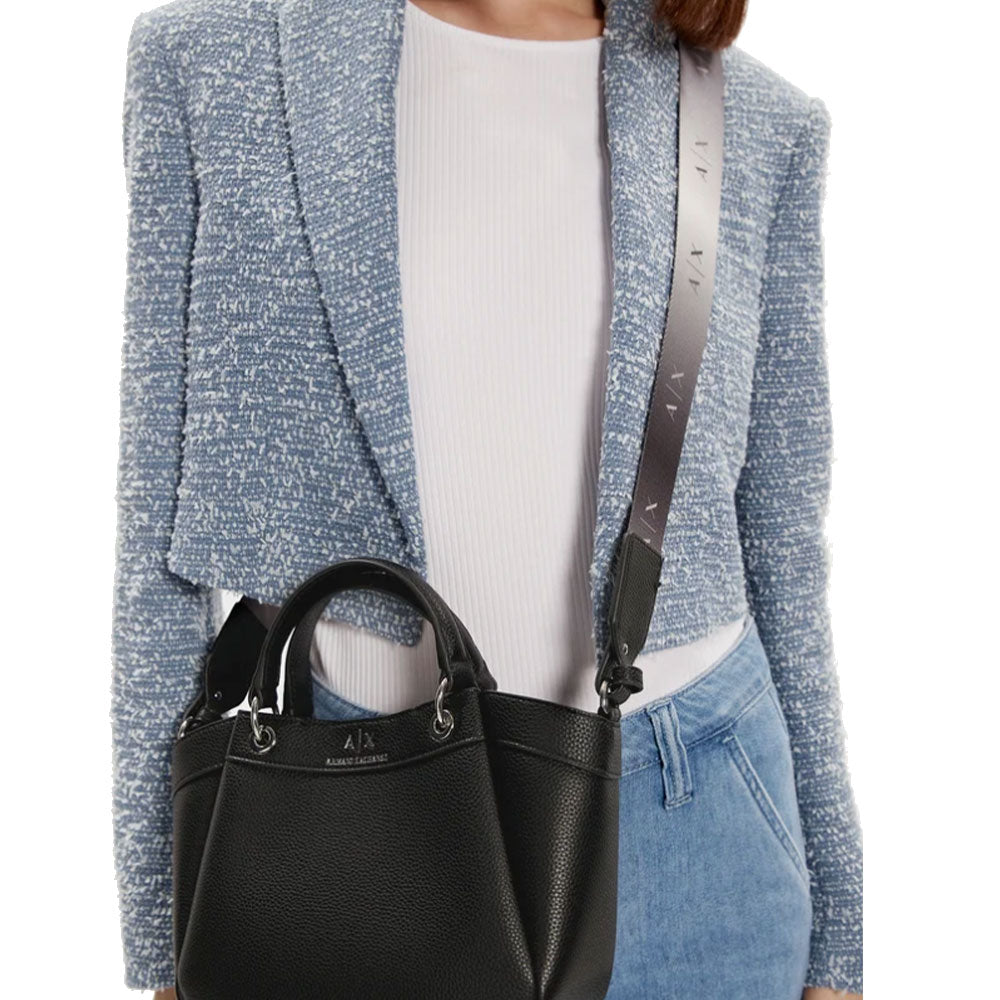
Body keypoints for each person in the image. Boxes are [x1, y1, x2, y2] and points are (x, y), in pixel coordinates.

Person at [113, 0, 863, 997]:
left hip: (698, 831)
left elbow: (783, 550)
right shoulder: (215, 67)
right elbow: (154, 544)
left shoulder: (756, 122)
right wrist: (162, 931)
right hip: (344, 825)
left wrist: (839, 937)